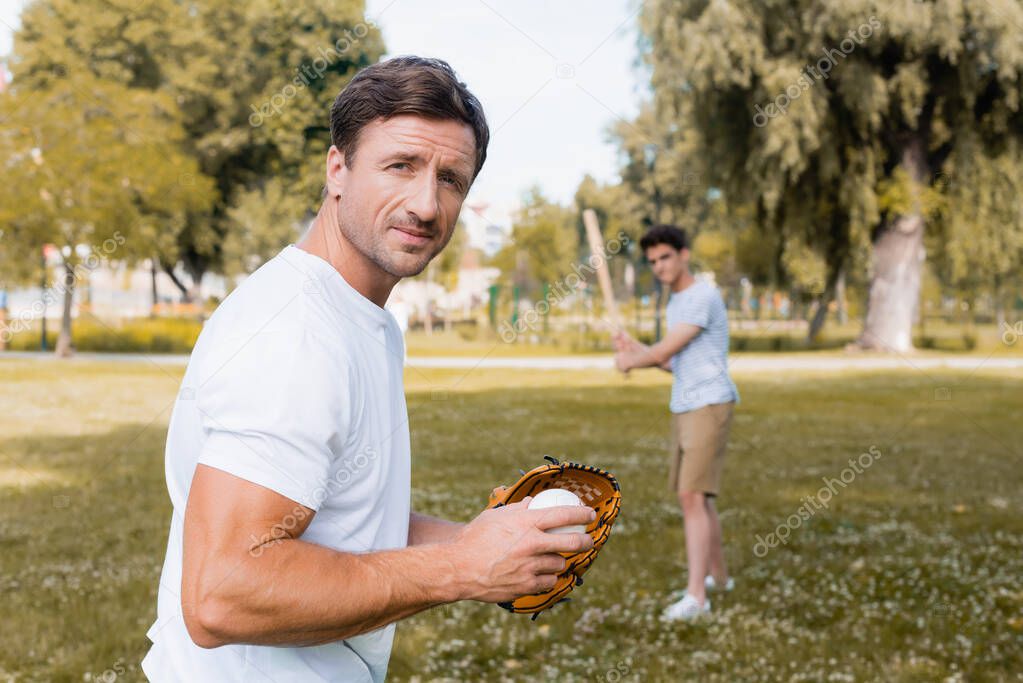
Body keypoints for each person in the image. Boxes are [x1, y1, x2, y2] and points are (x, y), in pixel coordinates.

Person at [141, 56, 594, 682]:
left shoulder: (359, 316)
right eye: (400, 166)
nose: (426, 204)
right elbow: (223, 593)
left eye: (452, 179)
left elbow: (334, 516)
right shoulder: (295, 333)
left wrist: (484, 542)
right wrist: (462, 568)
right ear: (337, 169)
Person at [612, 224, 739, 621]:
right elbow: (671, 361)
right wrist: (636, 349)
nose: (660, 266)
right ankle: (719, 578)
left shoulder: (701, 295)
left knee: (692, 498)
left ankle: (697, 597)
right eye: (652, 261)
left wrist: (633, 360)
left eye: (665, 257)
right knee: (699, 497)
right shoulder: (676, 302)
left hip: (709, 403)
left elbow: (666, 350)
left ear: (684, 254)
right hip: (686, 402)